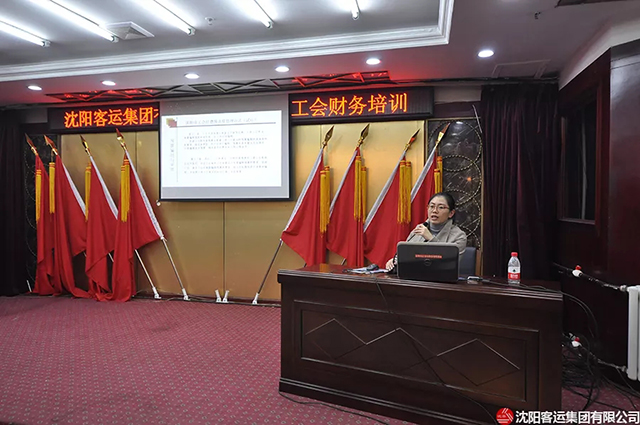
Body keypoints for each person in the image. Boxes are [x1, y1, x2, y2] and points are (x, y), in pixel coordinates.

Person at [385, 192, 467, 271]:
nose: (434, 210)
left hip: (441, 279)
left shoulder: (459, 236)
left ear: (451, 213)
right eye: (432, 206)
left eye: (441, 207)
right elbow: (406, 253)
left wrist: (431, 238)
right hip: (413, 276)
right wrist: (395, 261)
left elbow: (448, 264)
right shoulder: (419, 229)